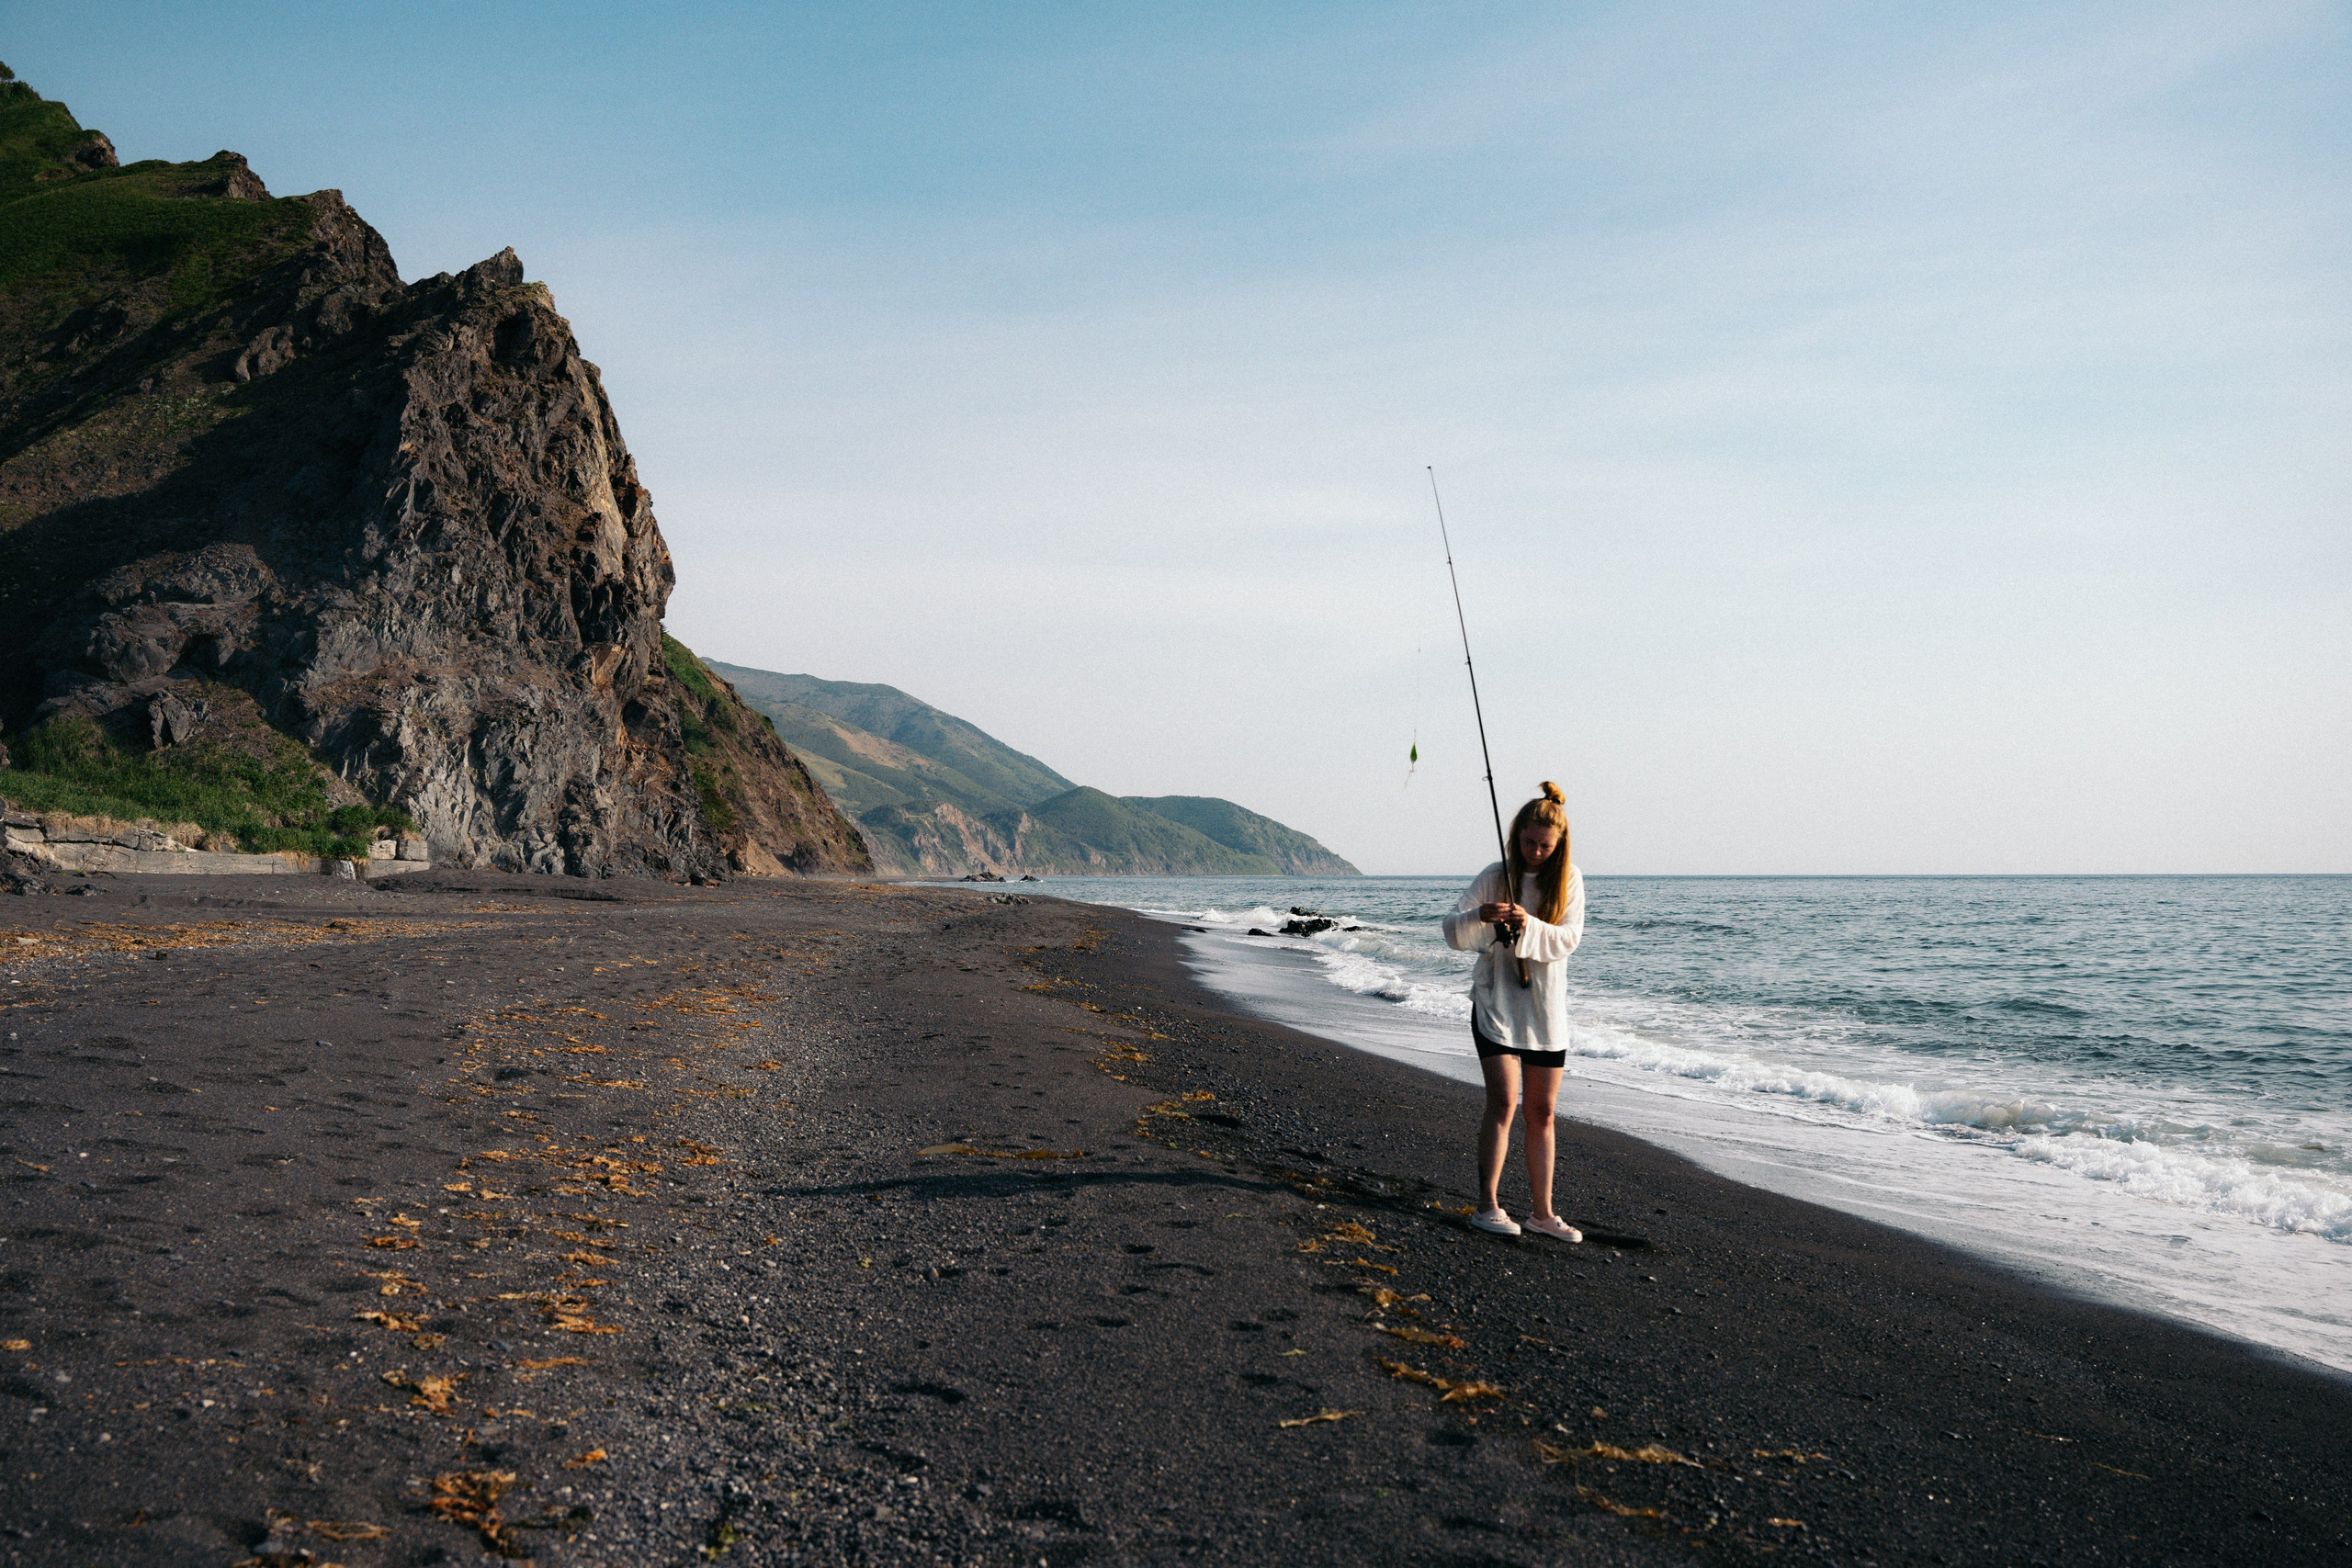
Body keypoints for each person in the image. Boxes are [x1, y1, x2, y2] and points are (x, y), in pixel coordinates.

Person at [1442, 781, 1585, 1241]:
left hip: (1545, 1012)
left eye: (1545, 845)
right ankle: (1488, 1205)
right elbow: (1450, 930)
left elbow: (1568, 940)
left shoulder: (1570, 880)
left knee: (1542, 1112)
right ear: (1515, 836)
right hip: (1496, 1003)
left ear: (1559, 844)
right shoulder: (1495, 874)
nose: (1536, 852)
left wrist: (1530, 924)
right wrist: (1480, 917)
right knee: (1502, 1103)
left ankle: (1541, 1214)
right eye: (1528, 843)